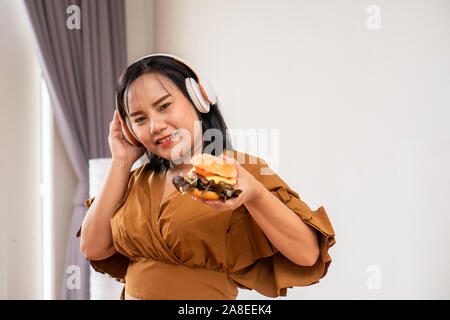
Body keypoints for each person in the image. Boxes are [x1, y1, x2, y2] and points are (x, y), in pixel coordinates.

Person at [77, 54, 336, 300]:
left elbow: (307, 254)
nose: (155, 126)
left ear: (199, 100)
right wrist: (121, 161)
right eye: (140, 119)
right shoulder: (136, 180)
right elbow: (93, 247)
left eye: (164, 106)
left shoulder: (242, 171)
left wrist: (255, 195)